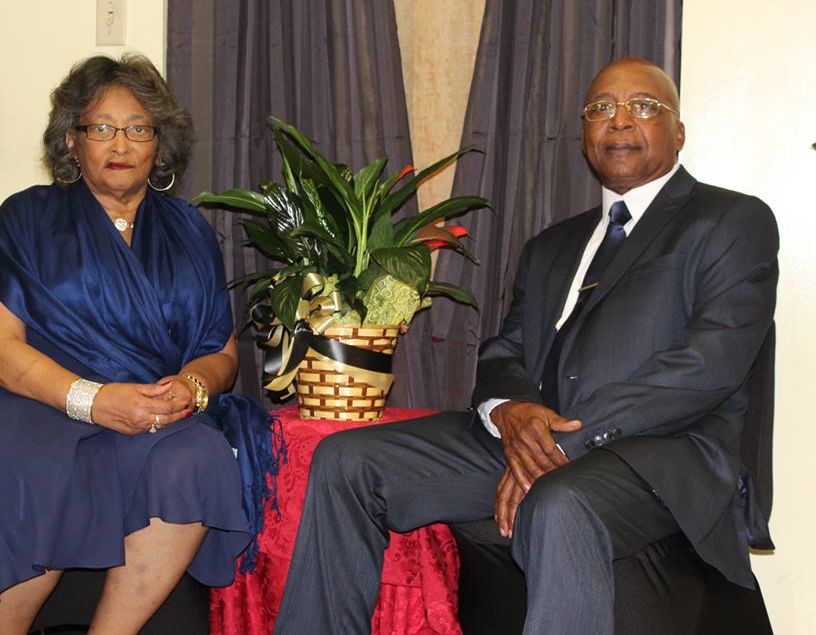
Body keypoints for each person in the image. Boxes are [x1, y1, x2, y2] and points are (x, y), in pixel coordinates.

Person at [272, 57, 778, 635]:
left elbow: (707, 366)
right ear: (584, 136)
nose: (619, 120)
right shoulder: (552, 245)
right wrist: (509, 411)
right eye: (600, 109)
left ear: (678, 131)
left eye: (643, 106)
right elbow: (503, 350)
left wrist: (560, 445)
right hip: (527, 441)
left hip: (656, 452)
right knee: (347, 461)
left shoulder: (731, 220)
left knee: (558, 502)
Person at [0, 53, 277, 634]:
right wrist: (92, 400)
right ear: (72, 142)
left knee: (197, 458)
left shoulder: (190, 230)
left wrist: (190, 389)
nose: (120, 143)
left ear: (159, 145)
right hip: (34, 403)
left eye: (138, 128)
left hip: (149, 411)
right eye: (101, 127)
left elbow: (220, 353)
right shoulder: (25, 218)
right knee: (22, 465)